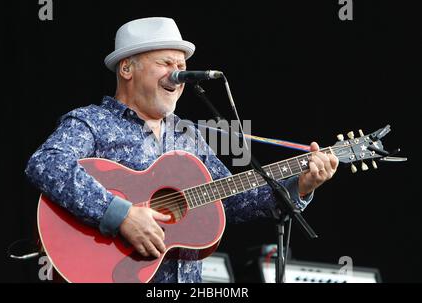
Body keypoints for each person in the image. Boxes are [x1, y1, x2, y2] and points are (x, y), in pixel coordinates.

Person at [25, 17, 338, 283]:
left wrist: (300, 184)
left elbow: (231, 202)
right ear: (127, 69)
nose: (177, 74)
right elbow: (46, 164)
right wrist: (121, 216)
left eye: (182, 66)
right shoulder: (92, 121)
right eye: (165, 63)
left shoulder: (187, 135)